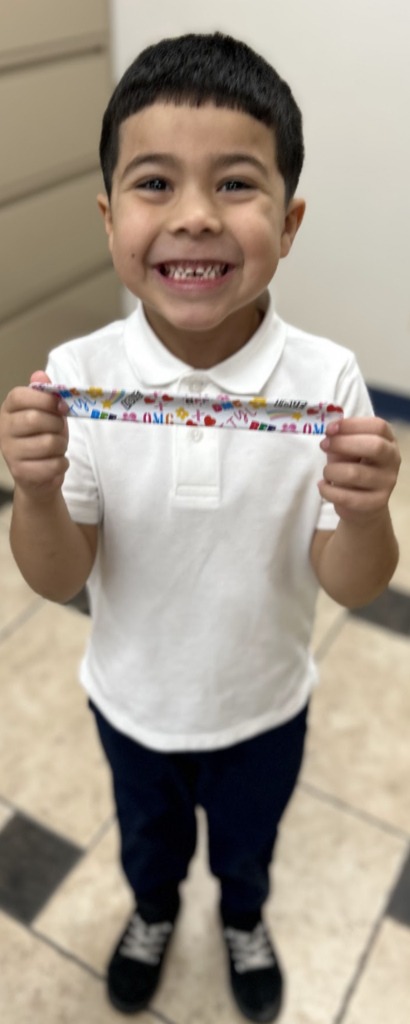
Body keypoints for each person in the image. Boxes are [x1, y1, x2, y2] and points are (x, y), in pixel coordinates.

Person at [0, 32, 401, 1023]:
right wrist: (38, 493)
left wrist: (363, 508)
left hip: (266, 701)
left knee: (248, 842)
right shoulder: (79, 371)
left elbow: (352, 583)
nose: (192, 217)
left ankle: (242, 917)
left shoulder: (326, 383)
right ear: (107, 217)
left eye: (233, 184)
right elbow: (58, 578)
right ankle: (150, 910)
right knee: (147, 838)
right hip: (130, 701)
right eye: (152, 183)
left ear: (288, 218)